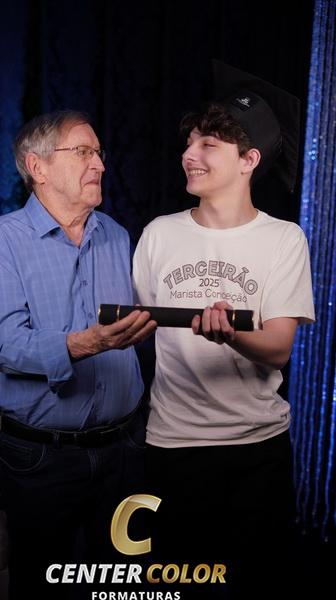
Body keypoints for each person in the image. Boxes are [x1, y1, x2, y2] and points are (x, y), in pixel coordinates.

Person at [132, 61, 315, 599]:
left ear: (248, 161)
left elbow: (278, 349)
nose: (189, 154)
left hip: (255, 452)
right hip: (171, 448)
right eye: (189, 142)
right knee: (176, 586)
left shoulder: (283, 239)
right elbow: (141, 327)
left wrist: (231, 333)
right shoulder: (158, 235)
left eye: (208, 144)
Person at [0, 110, 157, 599]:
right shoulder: (2, 240)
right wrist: (89, 342)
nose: (100, 164)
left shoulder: (116, 235)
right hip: (41, 459)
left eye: (99, 152)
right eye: (83, 152)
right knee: (41, 589)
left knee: (122, 587)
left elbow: (132, 328)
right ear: (38, 167)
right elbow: (7, 348)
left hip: (125, 451)